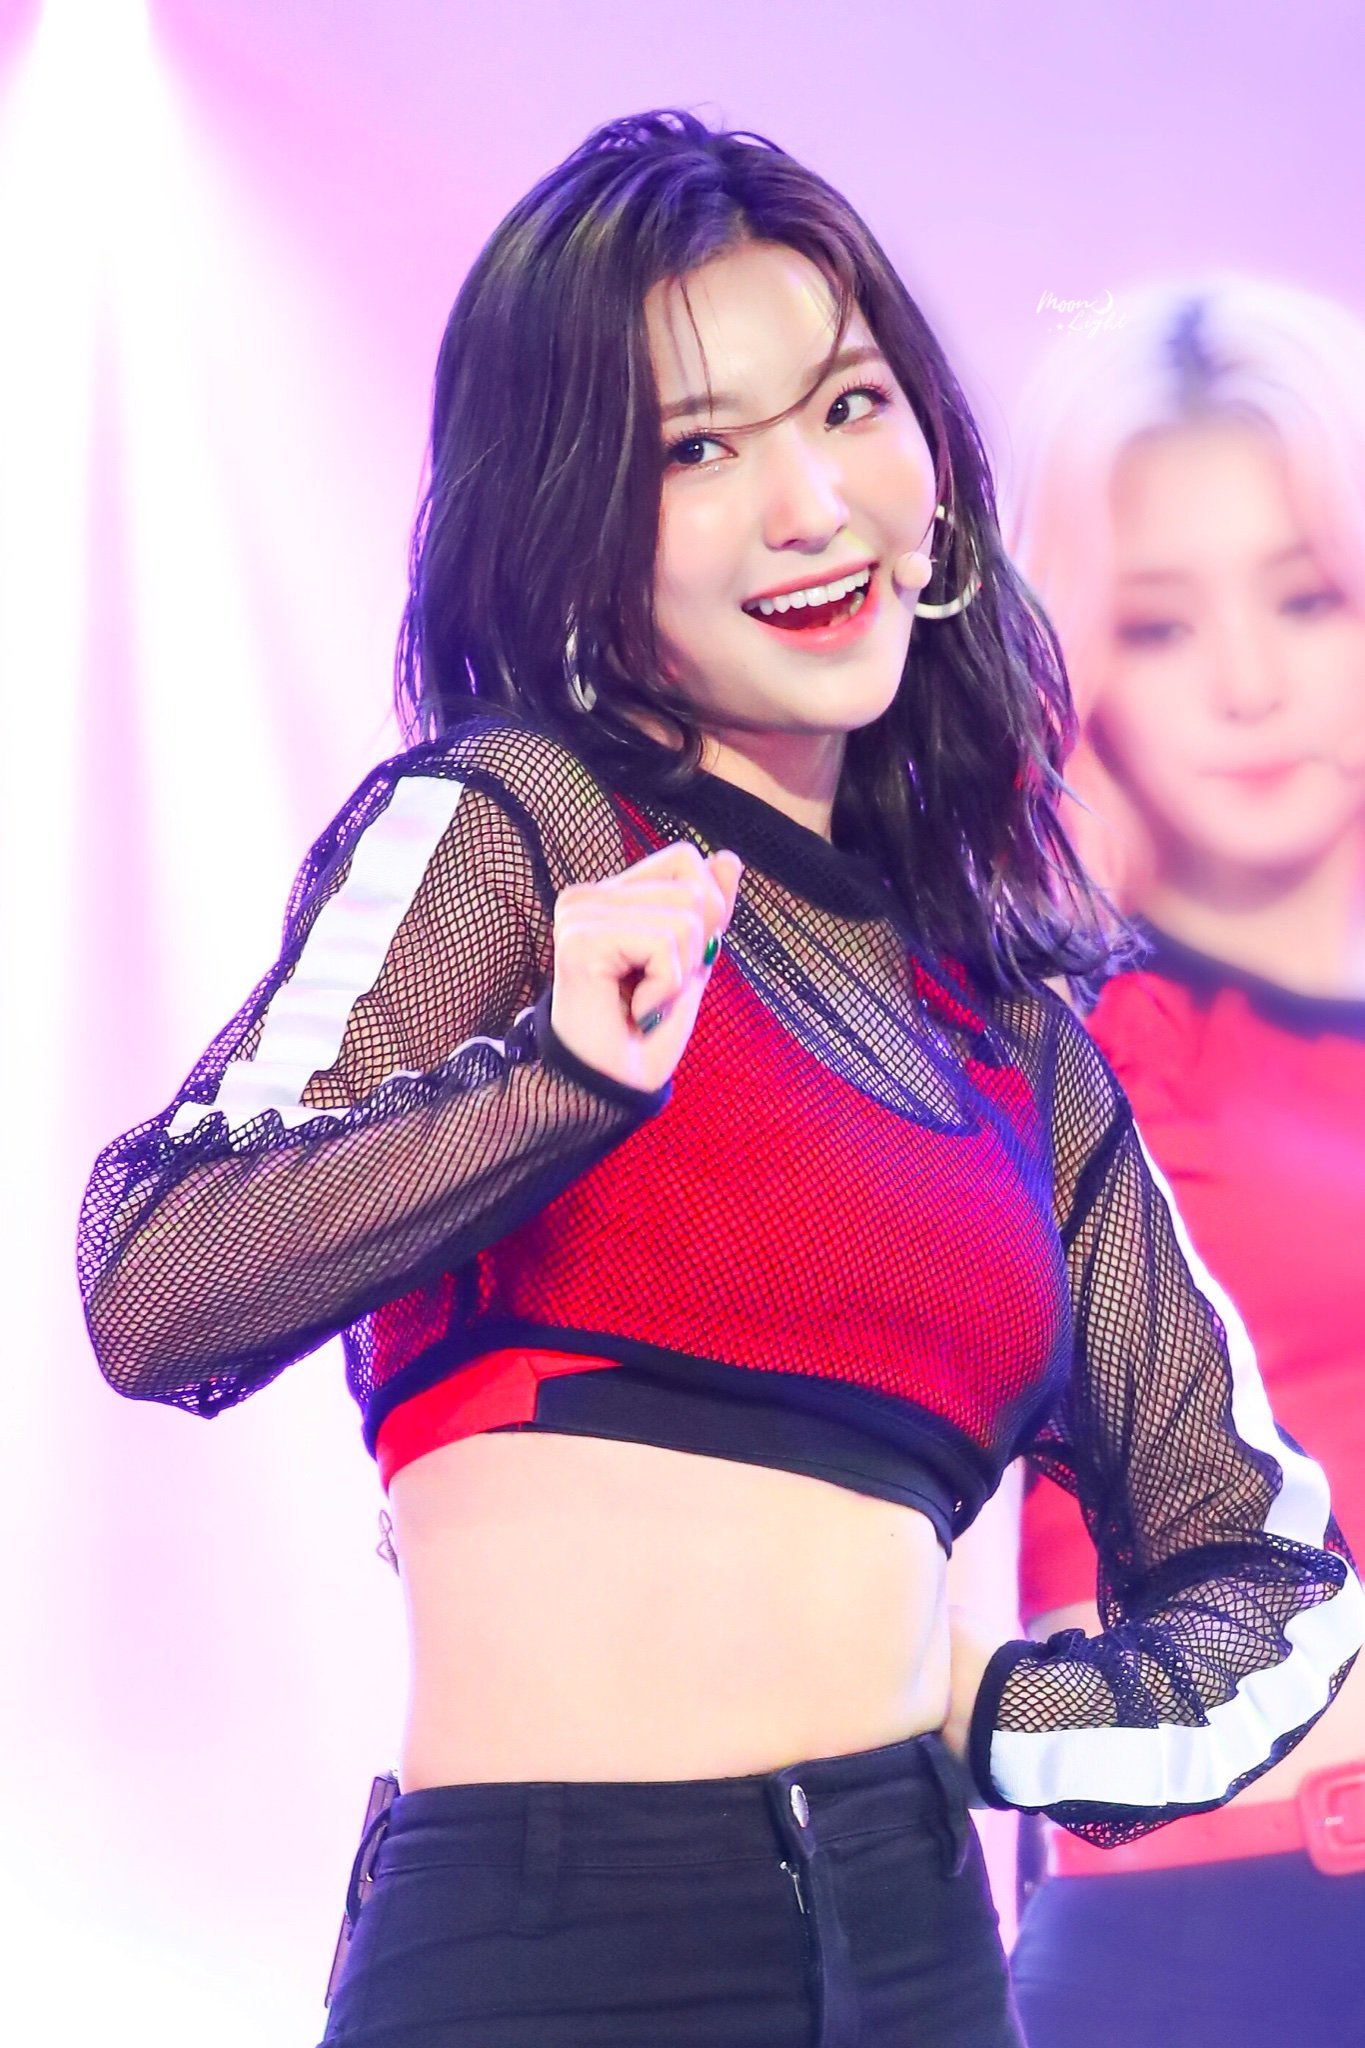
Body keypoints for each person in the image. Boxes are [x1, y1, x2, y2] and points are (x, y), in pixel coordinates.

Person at [76, 118, 1364, 2048]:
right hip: (554, 1934)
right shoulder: (518, 830)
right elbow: (156, 1278)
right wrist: (553, 1084)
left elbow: (1269, 1568)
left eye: (847, 407)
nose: (809, 505)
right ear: (572, 521)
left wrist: (1016, 1723)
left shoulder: (1008, 1041)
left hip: (921, 1939)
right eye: (696, 449)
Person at [1005, 275, 1365, 2048]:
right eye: (1157, 625)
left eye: (1305, 598)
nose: (1244, 685)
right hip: (1215, 1940)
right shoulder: (1056, 1059)